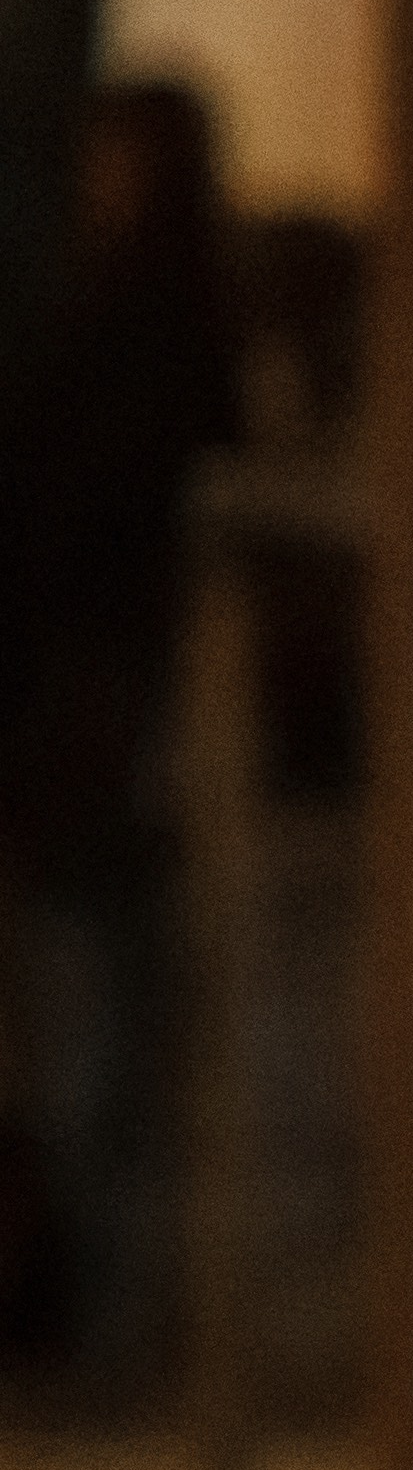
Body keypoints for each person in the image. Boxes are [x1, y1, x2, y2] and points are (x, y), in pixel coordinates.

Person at [0, 81, 241, 1393]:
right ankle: (95, 1308)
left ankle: (89, 1308)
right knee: (106, 1016)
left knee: (99, 1015)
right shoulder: (150, 330)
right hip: (103, 714)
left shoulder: (120, 333)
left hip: (101, 713)